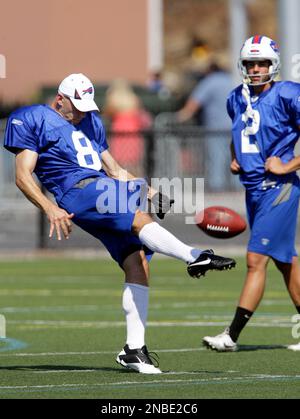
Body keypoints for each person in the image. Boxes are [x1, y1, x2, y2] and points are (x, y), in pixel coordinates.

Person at [4, 73, 236, 373]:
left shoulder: (91, 122)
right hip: (76, 190)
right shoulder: (34, 116)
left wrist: (151, 191)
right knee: (138, 218)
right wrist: (49, 207)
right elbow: (22, 175)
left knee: (137, 261)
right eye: (77, 105)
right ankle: (194, 256)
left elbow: (114, 170)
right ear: (59, 99)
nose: (83, 112)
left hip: (100, 186)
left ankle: (134, 350)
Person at [202, 36, 300, 352]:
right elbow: (239, 134)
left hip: (280, 188)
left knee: (256, 259)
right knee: (287, 262)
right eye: (250, 63)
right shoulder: (235, 98)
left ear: (274, 65)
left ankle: (231, 335)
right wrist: (236, 157)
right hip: (254, 190)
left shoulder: (288, 94)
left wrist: (290, 165)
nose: (256, 69)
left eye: (262, 63)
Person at [177, 55, 235, 191]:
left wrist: (178, 117)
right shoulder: (233, 81)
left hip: (215, 131)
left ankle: (218, 193)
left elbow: (193, 104)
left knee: (216, 161)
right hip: (236, 129)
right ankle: (237, 192)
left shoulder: (209, 82)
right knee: (236, 161)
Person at [104, 79, 152, 177]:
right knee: (134, 161)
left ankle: (122, 184)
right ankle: (137, 183)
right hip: (133, 129)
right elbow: (140, 113)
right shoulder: (134, 98)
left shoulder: (113, 98)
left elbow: (107, 114)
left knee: (120, 161)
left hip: (119, 129)